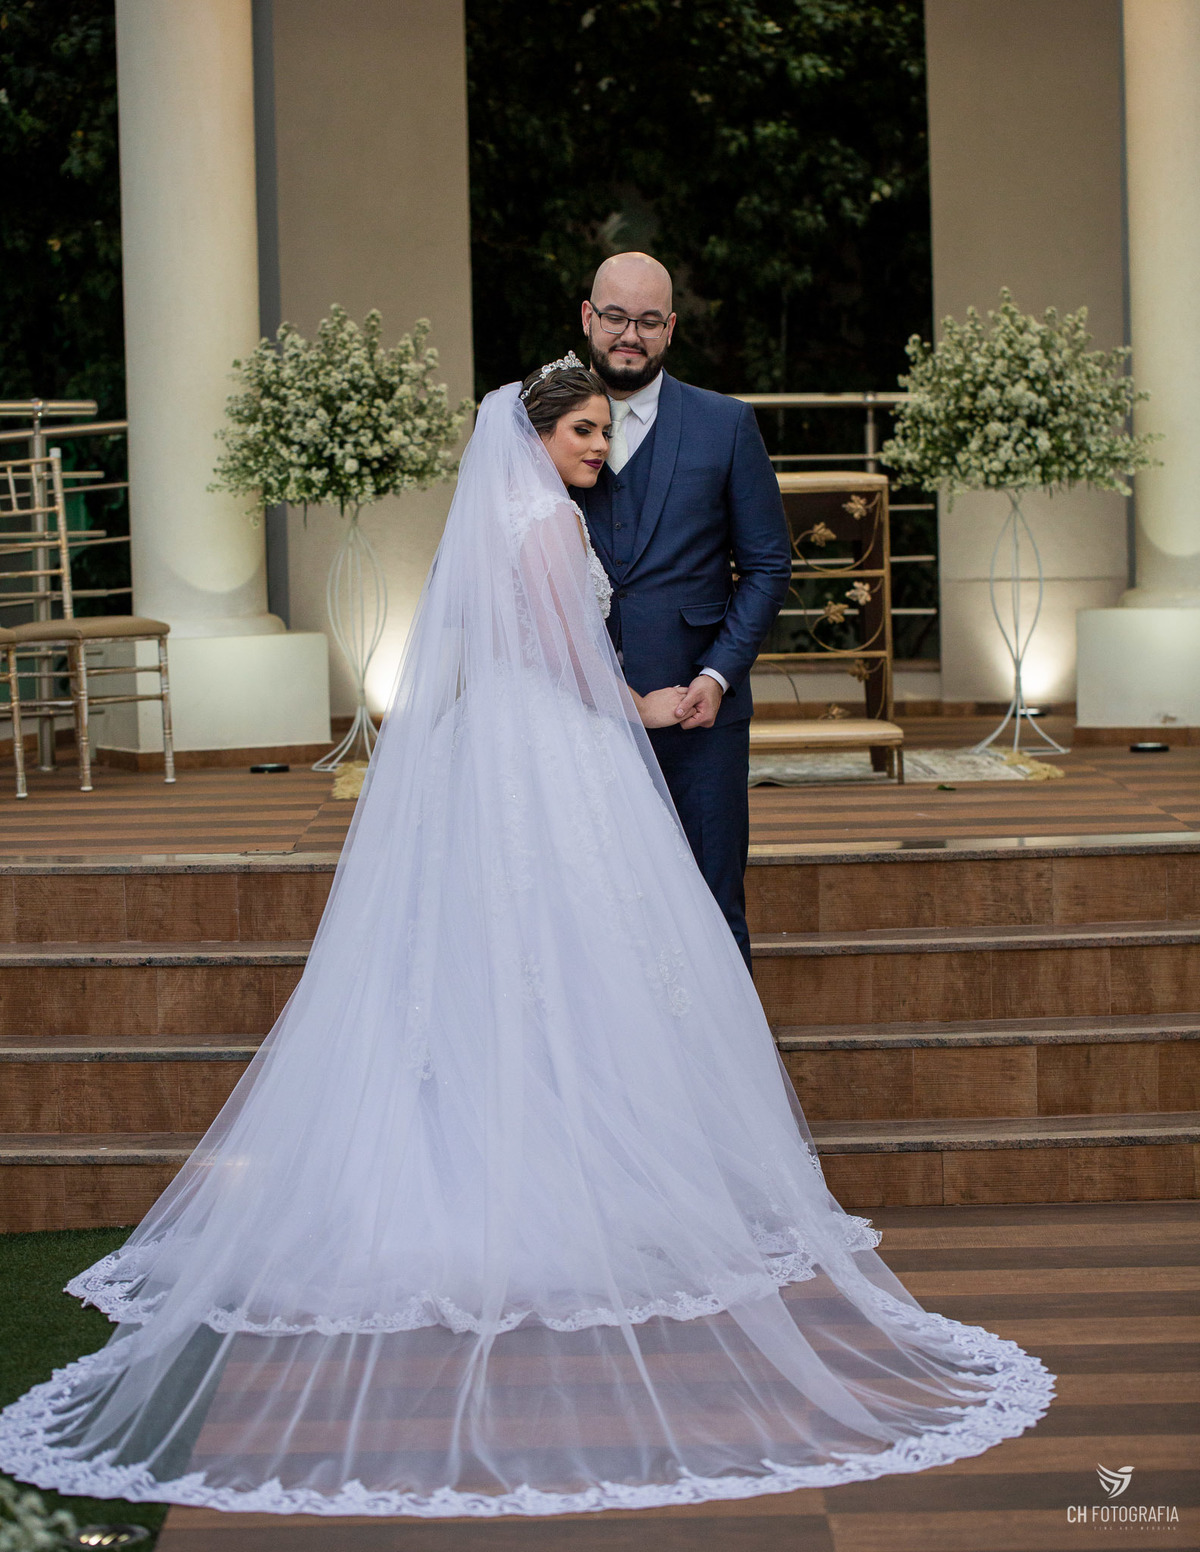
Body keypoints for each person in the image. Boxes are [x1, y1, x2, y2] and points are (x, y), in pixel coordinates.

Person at [0, 362, 1052, 1520]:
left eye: (606, 428)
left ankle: (524, 1155)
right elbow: (569, 658)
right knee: (581, 951)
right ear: (540, 433)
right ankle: (585, 1177)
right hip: (558, 746)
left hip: (501, 747)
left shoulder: (511, 515)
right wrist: (642, 705)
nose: (603, 446)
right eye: (587, 429)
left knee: (516, 958)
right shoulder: (546, 523)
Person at [571, 252, 791, 968]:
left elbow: (766, 565)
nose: (627, 334)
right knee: (591, 914)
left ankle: (726, 1080)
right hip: (576, 712)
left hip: (700, 717)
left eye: (646, 320)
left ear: (671, 327)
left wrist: (719, 675)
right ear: (587, 318)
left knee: (710, 910)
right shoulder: (538, 428)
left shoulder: (725, 426)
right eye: (614, 317)